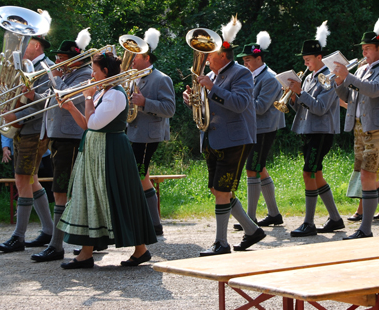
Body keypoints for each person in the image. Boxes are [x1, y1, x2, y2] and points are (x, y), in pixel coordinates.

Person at [58, 52, 157, 269]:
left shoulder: (116, 95)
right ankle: (86, 253)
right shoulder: (103, 93)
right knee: (90, 196)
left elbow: (94, 123)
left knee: (118, 197)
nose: (91, 75)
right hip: (96, 150)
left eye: (94, 71)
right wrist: (71, 107)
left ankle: (140, 249)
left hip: (111, 151)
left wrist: (85, 97)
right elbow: (86, 124)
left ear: (105, 72)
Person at [183, 16, 265, 256]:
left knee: (221, 191)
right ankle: (252, 230)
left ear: (222, 55)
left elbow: (240, 104)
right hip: (213, 138)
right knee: (218, 190)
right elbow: (211, 106)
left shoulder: (241, 74)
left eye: (210, 54)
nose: (206, 58)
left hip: (235, 140)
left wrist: (211, 88)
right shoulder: (215, 75)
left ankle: (221, 242)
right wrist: (193, 101)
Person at [333, 8, 379, 239]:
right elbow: (349, 97)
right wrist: (339, 82)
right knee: (370, 178)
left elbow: (373, 90)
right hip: (360, 129)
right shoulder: (363, 69)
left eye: (367, 49)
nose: (364, 52)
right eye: (363, 49)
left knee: (367, 177)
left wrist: (349, 76)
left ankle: (365, 229)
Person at [31, 34, 93, 262]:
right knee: (62, 190)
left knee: (64, 191)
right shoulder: (65, 75)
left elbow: (68, 97)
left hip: (71, 138)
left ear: (73, 60)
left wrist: (54, 78)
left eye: (60, 58)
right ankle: (68, 242)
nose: (56, 62)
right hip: (57, 136)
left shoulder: (85, 75)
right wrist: (32, 95)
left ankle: (58, 245)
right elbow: (49, 99)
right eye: (56, 57)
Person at [0, 35, 55, 252]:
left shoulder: (47, 68)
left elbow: (46, 103)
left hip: (34, 131)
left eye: (26, 42)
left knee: (21, 180)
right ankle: (48, 230)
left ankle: (18, 237)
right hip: (23, 130)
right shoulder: (23, 67)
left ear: (36, 45)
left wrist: (16, 116)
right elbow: (12, 94)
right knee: (31, 179)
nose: (20, 46)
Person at [287, 21, 343, 237]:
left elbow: (320, 108)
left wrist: (300, 93)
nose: (306, 63)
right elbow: (302, 106)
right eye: (304, 60)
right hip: (309, 130)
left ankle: (309, 223)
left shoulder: (328, 78)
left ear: (319, 57)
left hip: (321, 131)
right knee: (316, 174)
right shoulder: (309, 77)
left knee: (308, 173)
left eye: (308, 59)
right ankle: (335, 219)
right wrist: (293, 97)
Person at [126, 28, 176, 236]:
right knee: (142, 176)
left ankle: (149, 223)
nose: (130, 59)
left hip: (148, 135)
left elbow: (169, 109)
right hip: (134, 133)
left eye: (135, 56)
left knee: (138, 175)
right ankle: (154, 224)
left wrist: (144, 102)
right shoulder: (134, 77)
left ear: (146, 58)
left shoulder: (161, 78)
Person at [234, 31, 285, 229]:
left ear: (259, 58)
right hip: (254, 128)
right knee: (260, 169)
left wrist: (237, 103)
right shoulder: (252, 75)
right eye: (244, 60)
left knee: (252, 169)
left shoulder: (270, 78)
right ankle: (274, 214)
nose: (245, 63)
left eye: (248, 59)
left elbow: (261, 107)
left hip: (264, 128)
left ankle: (251, 218)